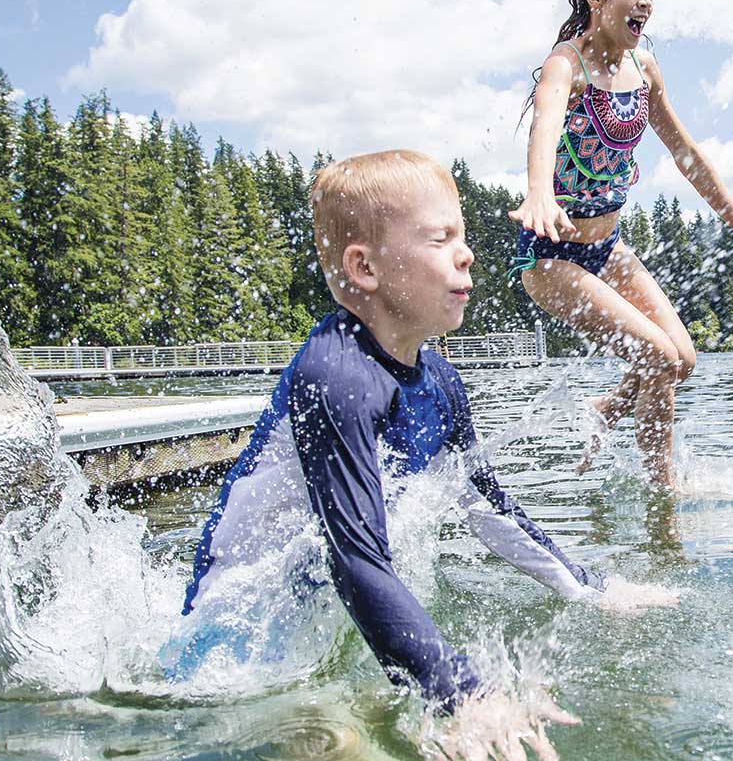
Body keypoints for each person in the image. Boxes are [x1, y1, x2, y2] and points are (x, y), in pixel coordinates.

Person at [172, 150, 649, 760]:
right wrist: (462, 692)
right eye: (440, 237)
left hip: (323, 621)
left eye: (464, 236)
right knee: (349, 747)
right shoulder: (334, 377)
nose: (467, 252)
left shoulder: (441, 382)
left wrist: (591, 588)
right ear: (364, 267)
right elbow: (355, 557)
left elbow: (487, 508)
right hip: (231, 651)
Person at [509, 0, 733, 490]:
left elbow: (687, 154)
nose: (645, 2)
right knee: (658, 358)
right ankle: (665, 502)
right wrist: (538, 193)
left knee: (681, 358)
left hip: (607, 250)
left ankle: (609, 408)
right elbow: (544, 126)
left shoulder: (645, 68)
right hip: (551, 256)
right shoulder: (566, 65)